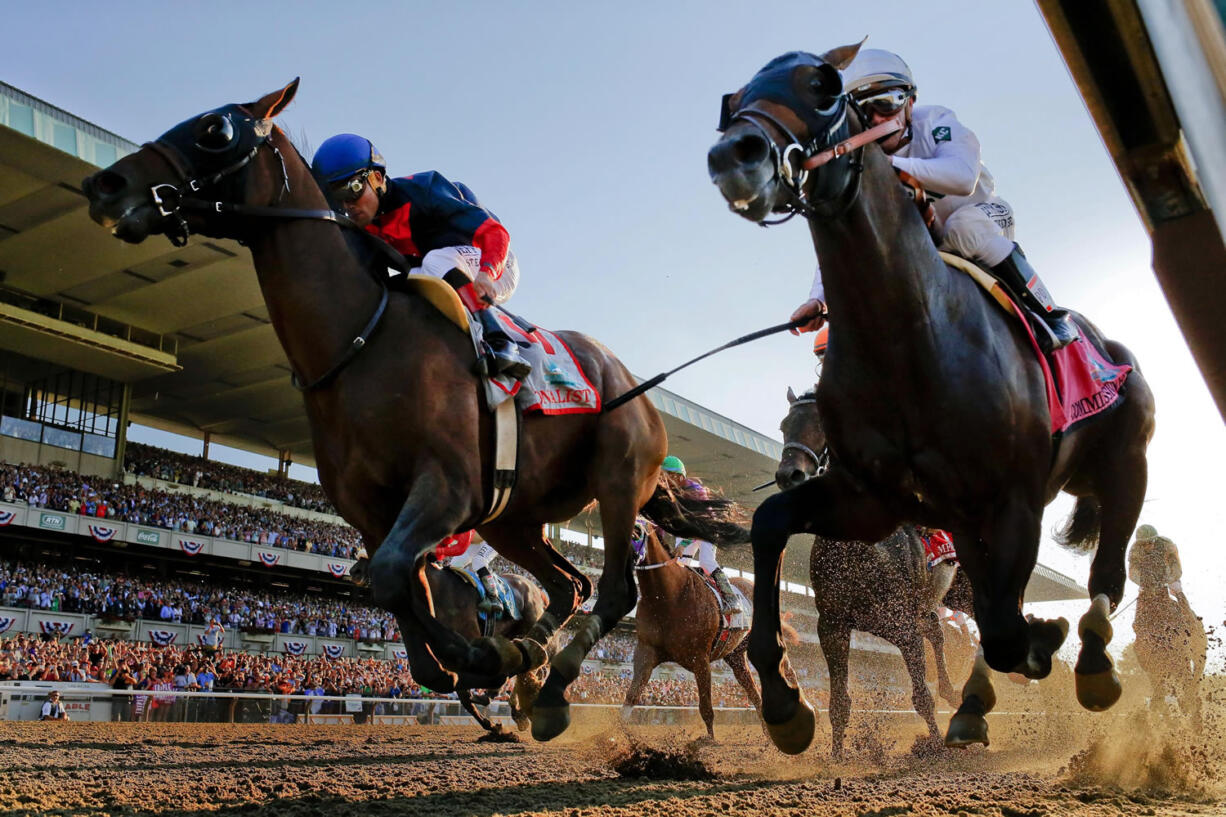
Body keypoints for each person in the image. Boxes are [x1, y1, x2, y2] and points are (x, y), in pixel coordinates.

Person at [790, 49, 1079, 354]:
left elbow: (963, 177)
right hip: (925, 246)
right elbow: (845, 241)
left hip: (983, 218)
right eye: (863, 109)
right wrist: (819, 299)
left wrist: (888, 168)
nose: (876, 118)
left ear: (910, 104)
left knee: (963, 227)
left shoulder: (936, 121)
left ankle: (1049, 314)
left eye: (887, 104)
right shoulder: (859, 165)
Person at [311, 133, 530, 379]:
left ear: (377, 178)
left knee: (435, 262)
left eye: (351, 190)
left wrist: (488, 273)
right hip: (439, 273)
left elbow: (495, 233)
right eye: (334, 199)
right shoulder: (363, 230)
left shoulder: (425, 189)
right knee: (408, 282)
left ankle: (500, 341)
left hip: (493, 260)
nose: (346, 206)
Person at [661, 456, 742, 613]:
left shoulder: (695, 491)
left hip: (707, 528)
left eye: (667, 475)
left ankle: (731, 598)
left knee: (706, 561)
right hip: (688, 530)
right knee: (679, 562)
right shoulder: (670, 492)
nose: (663, 479)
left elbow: (699, 525)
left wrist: (684, 545)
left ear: (679, 477)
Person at [442, 531, 504, 616]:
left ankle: (494, 598)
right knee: (455, 564)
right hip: (476, 539)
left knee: (478, 561)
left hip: (494, 536)